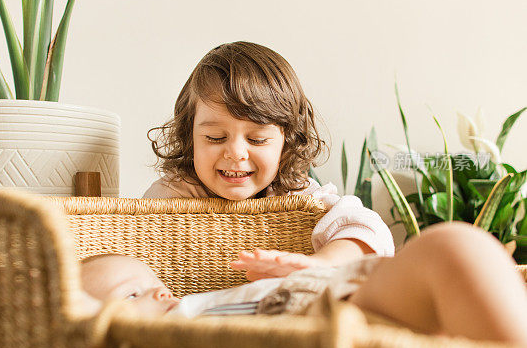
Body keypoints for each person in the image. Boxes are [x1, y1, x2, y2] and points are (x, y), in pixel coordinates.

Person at [143, 41, 395, 279]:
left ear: (287, 143)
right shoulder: (171, 195)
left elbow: (372, 231)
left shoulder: (295, 194)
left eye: (257, 139)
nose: (236, 153)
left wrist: (321, 263)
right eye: (215, 137)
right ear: (190, 137)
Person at [79, 231, 527, 345]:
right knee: (453, 251)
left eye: (155, 284)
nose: (160, 293)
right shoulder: (173, 338)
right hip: (330, 323)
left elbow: (358, 225)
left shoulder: (190, 309)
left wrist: (314, 266)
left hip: (341, 289)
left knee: (464, 259)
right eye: (132, 294)